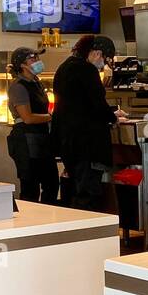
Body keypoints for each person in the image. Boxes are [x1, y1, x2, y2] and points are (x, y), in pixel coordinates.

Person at [53, 34, 124, 211]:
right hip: (87, 144)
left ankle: (76, 232)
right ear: (97, 53)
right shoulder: (86, 70)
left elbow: (79, 103)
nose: (103, 65)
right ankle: (86, 233)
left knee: (77, 189)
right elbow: (96, 104)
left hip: (67, 142)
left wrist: (110, 112)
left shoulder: (64, 67)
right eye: (105, 59)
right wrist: (113, 117)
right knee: (88, 193)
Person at [5, 47, 59, 204]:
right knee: (31, 188)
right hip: (26, 141)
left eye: (37, 58)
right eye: (33, 59)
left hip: (42, 140)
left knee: (52, 183)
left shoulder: (36, 83)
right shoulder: (19, 87)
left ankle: (49, 220)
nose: (37, 62)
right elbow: (27, 118)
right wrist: (51, 118)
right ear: (22, 65)